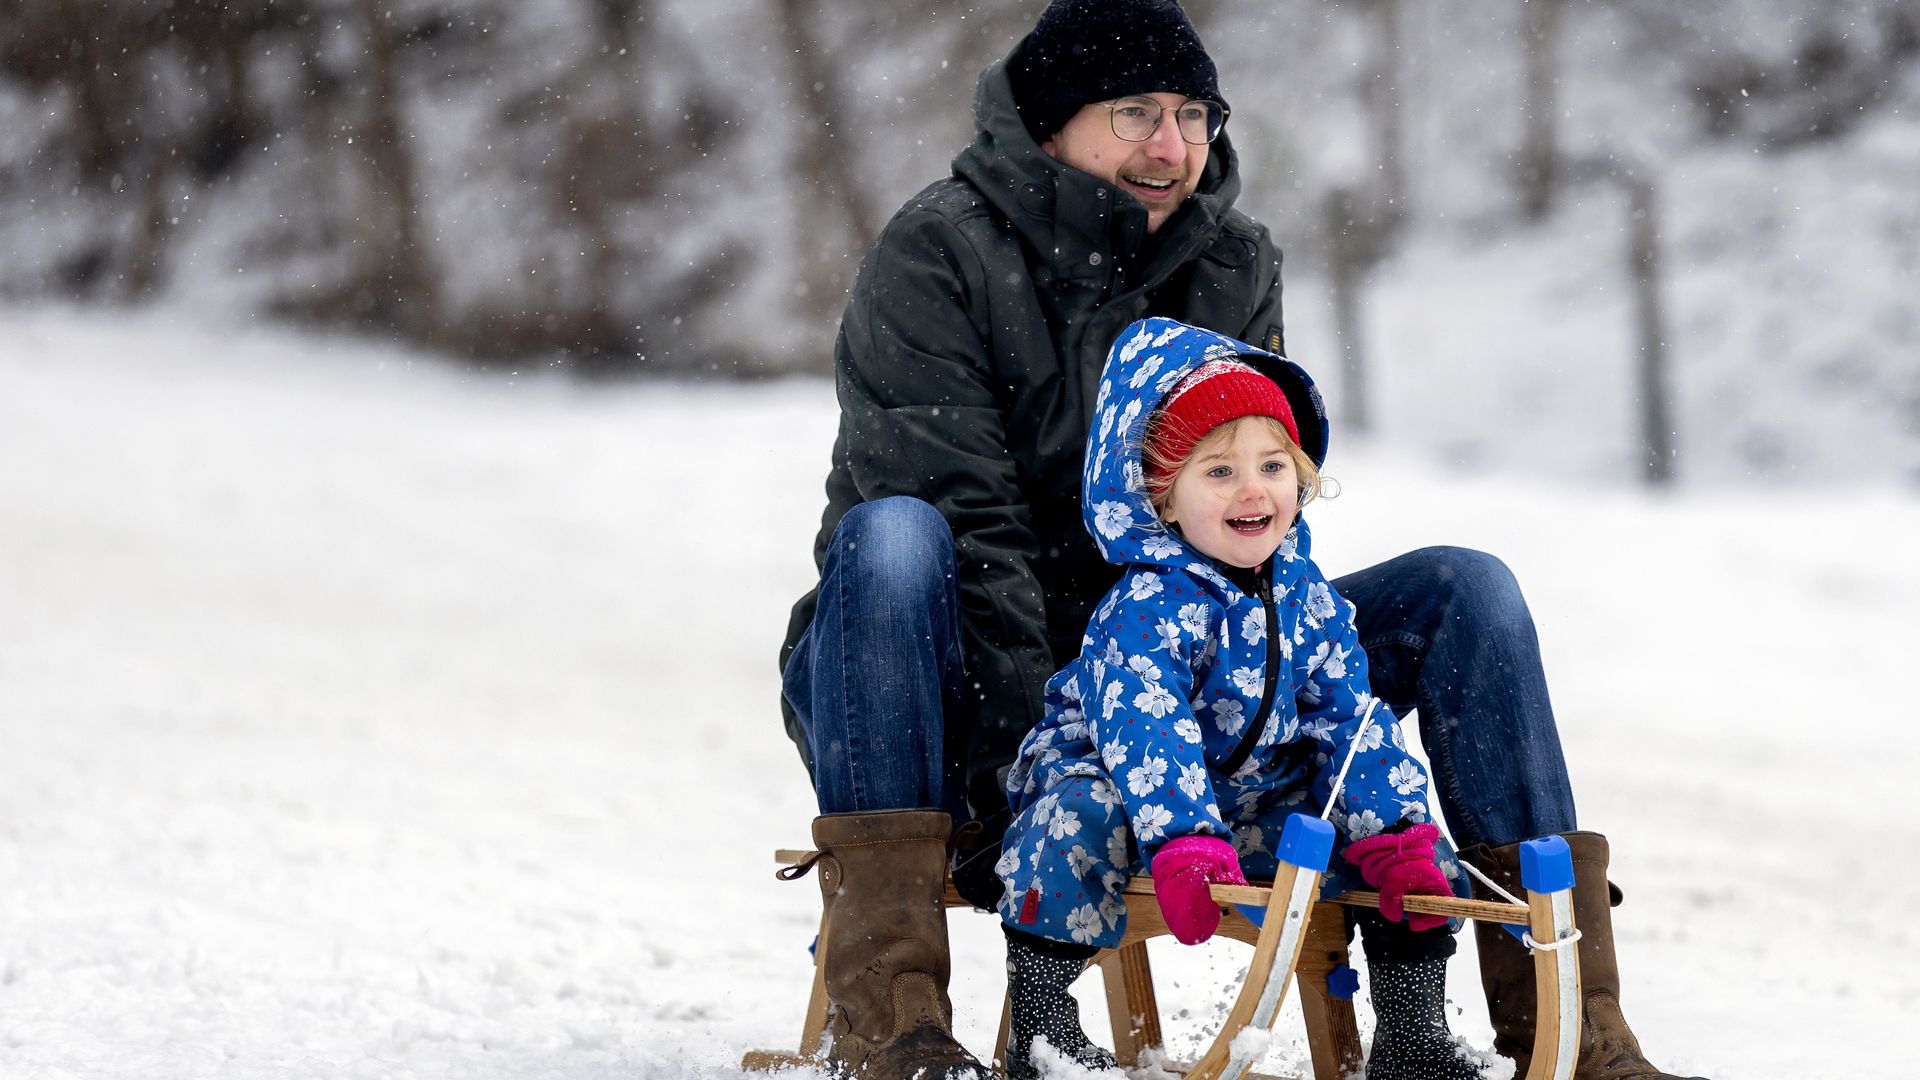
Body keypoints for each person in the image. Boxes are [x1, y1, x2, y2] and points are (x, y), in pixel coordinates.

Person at [778, 2, 1703, 1078]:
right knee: (895, 539)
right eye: (1134, 113)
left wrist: (1303, 671)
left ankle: (1568, 1022)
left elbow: (1253, 505)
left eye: (1192, 115)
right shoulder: (936, 253)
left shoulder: (1231, 262)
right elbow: (972, 527)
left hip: (1187, 650)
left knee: (1466, 590)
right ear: (1048, 126)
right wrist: (1035, 770)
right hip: (940, 677)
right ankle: (890, 1027)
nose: (1169, 146)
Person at [994, 317, 1489, 1080]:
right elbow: (1147, 729)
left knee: (1410, 852)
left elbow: (1347, 723)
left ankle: (1412, 1030)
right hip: (1129, 794)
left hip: (1247, 801)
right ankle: (1042, 1024)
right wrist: (1185, 839)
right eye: (1218, 472)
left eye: (1272, 465)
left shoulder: (1307, 598)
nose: (1253, 489)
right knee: (1073, 816)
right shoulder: (1143, 607)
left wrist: (1391, 832)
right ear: (1163, 499)